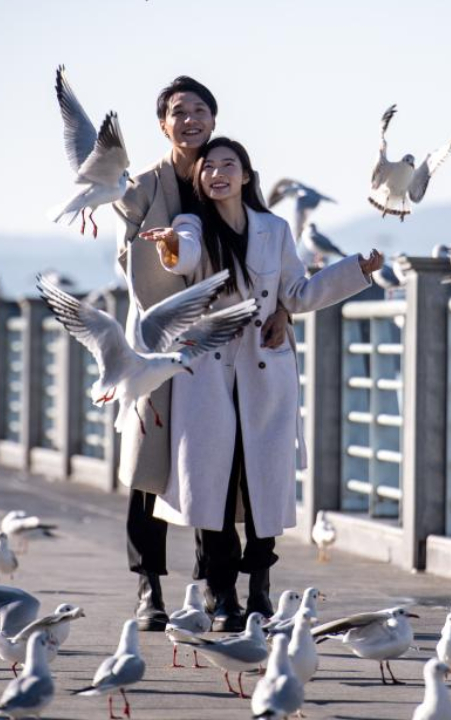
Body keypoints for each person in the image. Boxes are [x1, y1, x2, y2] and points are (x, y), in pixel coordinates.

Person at [139, 137, 382, 631]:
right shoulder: (192, 225)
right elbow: (183, 256)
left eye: (230, 165)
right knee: (215, 484)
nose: (218, 173)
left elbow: (298, 292)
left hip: (264, 367)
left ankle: (261, 590)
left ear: (248, 176)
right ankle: (222, 593)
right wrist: (168, 245)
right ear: (198, 180)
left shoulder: (274, 229)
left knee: (264, 481)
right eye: (209, 167)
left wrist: (356, 270)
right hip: (206, 369)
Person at [112, 76, 292, 631]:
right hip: (163, 339)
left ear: (213, 119)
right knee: (152, 465)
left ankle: (213, 587)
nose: (189, 119)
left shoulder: (223, 171)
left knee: (214, 463)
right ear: (162, 124)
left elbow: (268, 268)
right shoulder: (142, 185)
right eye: (176, 111)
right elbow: (132, 265)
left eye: (199, 110)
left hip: (227, 350)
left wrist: (282, 308)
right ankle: (149, 586)